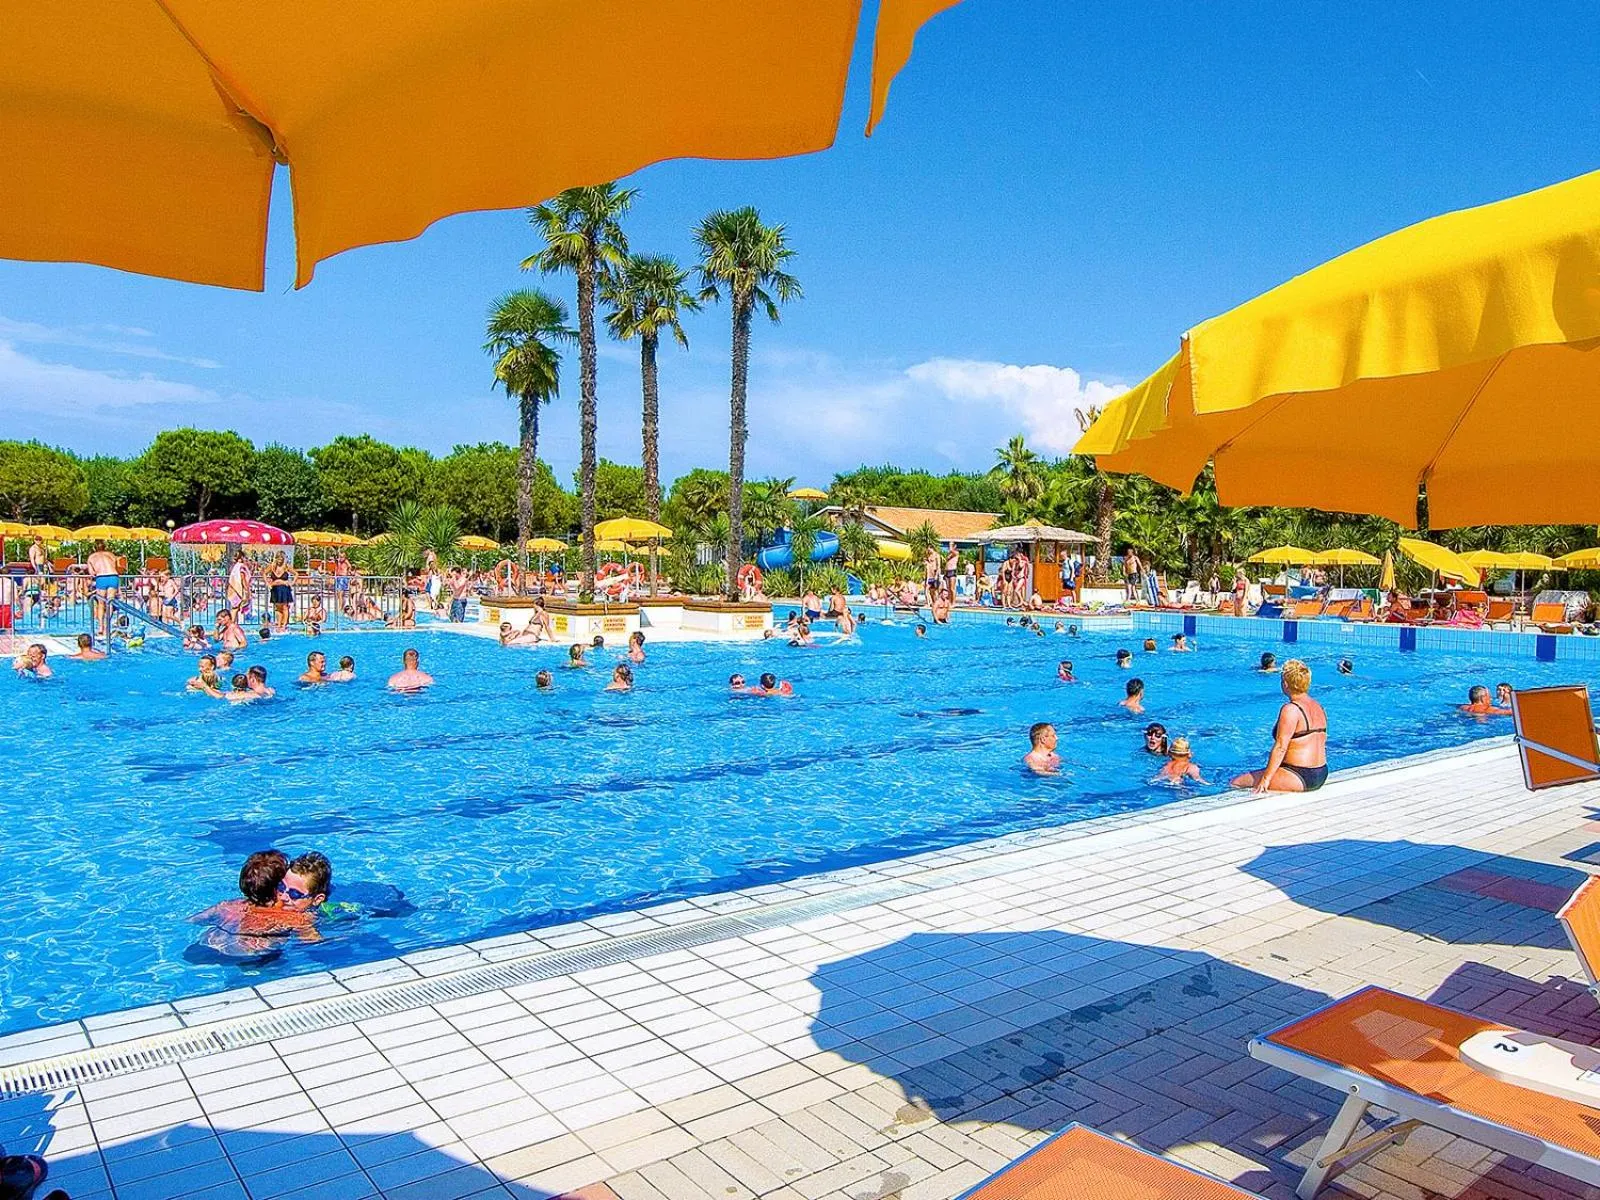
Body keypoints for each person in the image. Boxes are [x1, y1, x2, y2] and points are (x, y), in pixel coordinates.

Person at [1232, 659, 1328, 793]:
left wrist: (1266, 779)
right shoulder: (1318, 706)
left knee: (1236, 782)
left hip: (1300, 775)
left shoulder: (1291, 709)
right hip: (1321, 773)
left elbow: (1281, 748)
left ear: (1286, 684)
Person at [86, 538, 119, 639]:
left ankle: (101, 628)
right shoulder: (111, 555)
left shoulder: (91, 557)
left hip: (101, 577)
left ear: (94, 548)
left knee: (101, 604)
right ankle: (108, 627)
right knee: (110, 602)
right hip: (113, 576)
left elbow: (92, 573)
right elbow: (116, 567)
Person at [265, 551, 293, 631]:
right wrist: (268, 583)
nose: (280, 561)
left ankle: (284, 625)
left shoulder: (286, 567)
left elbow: (296, 574)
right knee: (277, 608)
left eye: (281, 560)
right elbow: (264, 573)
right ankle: (279, 624)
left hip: (284, 590)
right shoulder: (272, 566)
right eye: (278, 559)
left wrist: (291, 583)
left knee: (285, 607)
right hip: (275, 589)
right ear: (276, 559)